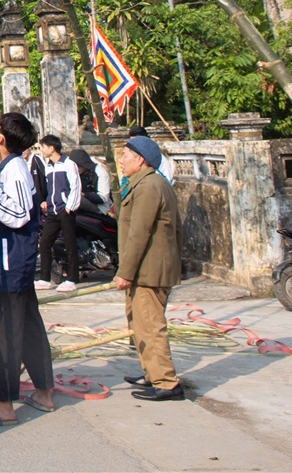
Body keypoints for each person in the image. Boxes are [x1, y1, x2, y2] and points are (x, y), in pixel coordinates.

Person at [0, 113, 55, 423]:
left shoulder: (17, 170)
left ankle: (4, 405)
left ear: (1, 138)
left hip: (11, 264)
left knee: (4, 333)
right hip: (10, 261)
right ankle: (44, 392)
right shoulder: (2, 166)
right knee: (30, 328)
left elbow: (20, 213)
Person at [115, 133, 184, 402]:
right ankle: (152, 372)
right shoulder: (147, 183)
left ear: (140, 160)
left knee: (151, 325)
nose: (121, 161)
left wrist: (125, 272)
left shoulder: (148, 187)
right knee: (139, 323)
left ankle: (166, 382)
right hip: (147, 268)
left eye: (126, 156)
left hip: (149, 270)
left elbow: (139, 233)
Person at [36, 135, 82, 292]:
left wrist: (70, 206)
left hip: (65, 210)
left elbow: (75, 186)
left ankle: (72, 279)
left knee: (70, 244)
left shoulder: (69, 164)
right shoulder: (48, 167)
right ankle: (44, 278)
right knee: (45, 243)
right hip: (52, 211)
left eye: (43, 147)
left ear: (51, 148)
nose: (41, 150)